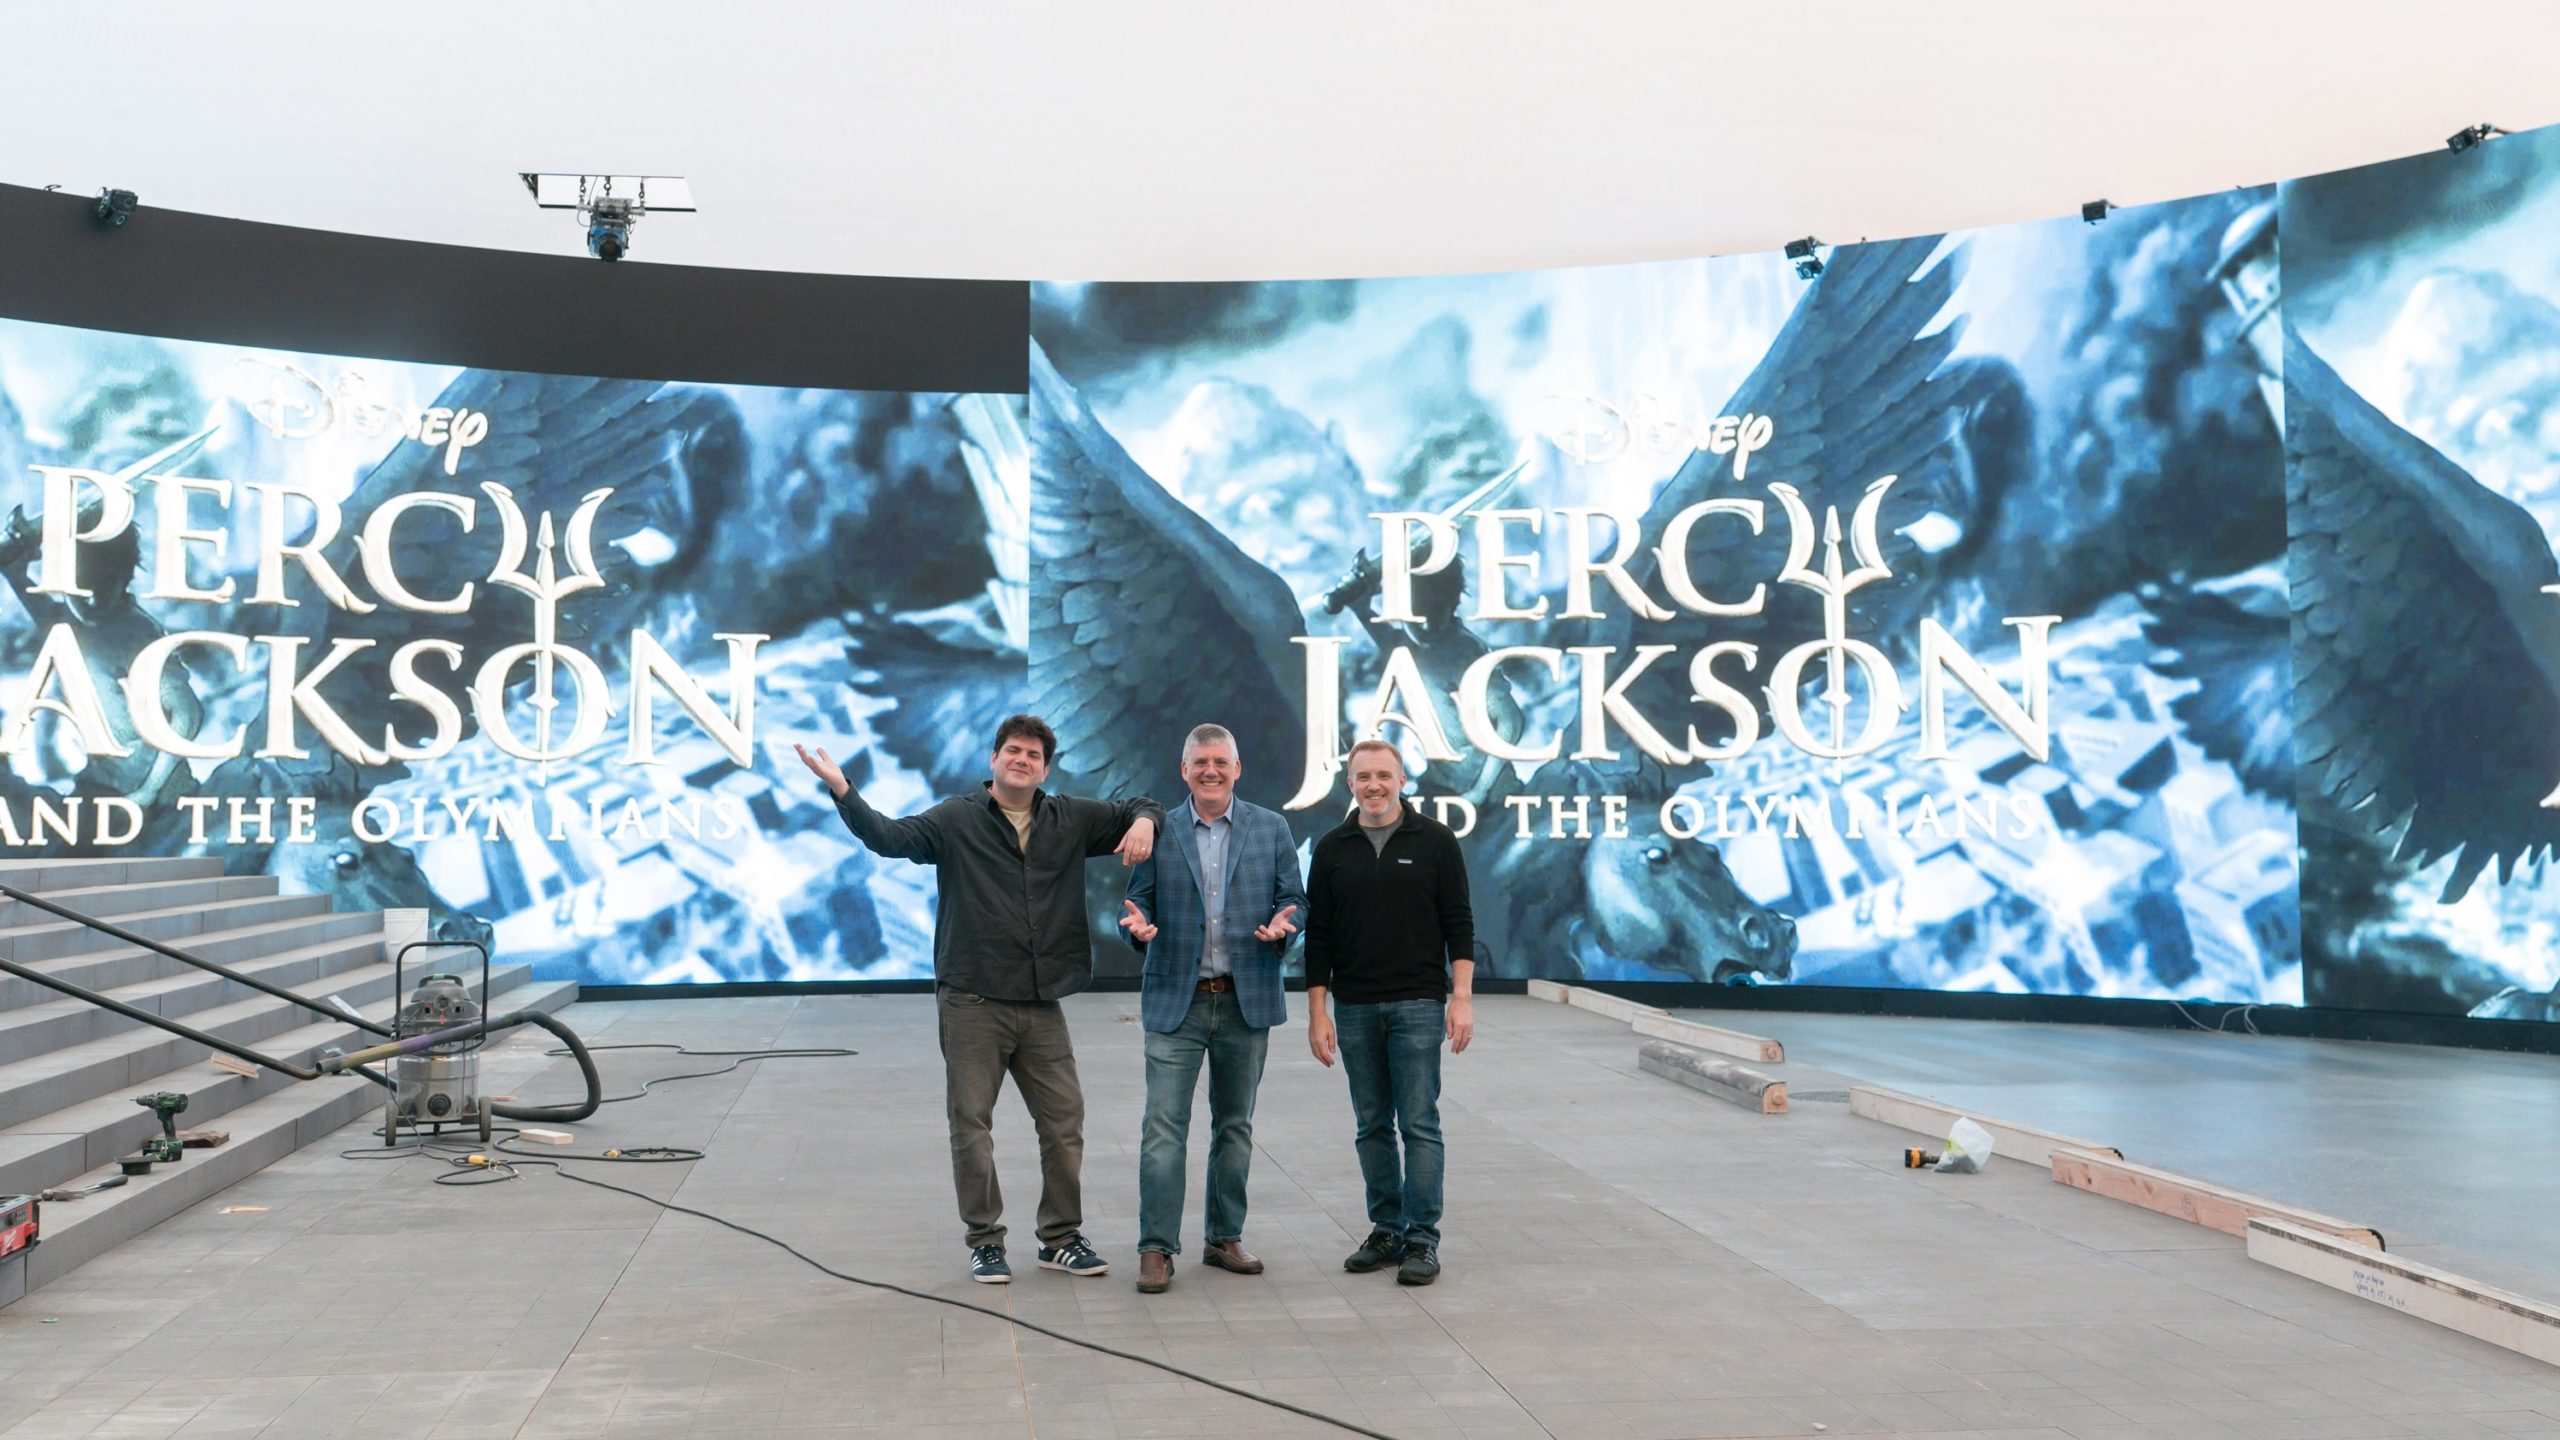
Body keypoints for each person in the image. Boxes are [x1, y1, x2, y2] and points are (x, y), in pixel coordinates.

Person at [795, 714, 1162, 1285]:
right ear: (994, 759)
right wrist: (843, 789)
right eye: (1013, 751)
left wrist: (1141, 822)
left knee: (1064, 1122)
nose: (1023, 760)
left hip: (1042, 1002)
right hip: (971, 1001)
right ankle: (985, 1241)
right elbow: (890, 838)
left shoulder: (1069, 818)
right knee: (972, 1125)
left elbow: (1143, 803)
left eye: (1034, 755)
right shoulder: (956, 818)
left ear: (1045, 767)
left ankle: (1060, 1237)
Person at [1117, 723, 1306, 1294]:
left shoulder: (1271, 828)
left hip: (1246, 1000)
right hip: (1178, 999)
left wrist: (1285, 925)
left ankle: (1224, 1238)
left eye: (1221, 762)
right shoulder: (1161, 829)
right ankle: (1156, 1249)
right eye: (1200, 762)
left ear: (1237, 768)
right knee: (1162, 1130)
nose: (1211, 771)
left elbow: (1294, 897)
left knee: (1235, 1127)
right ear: (1184, 770)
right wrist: (1137, 930)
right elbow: (1136, 902)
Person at [1302, 738, 1474, 1287]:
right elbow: (1319, 940)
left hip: (1419, 1004)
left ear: (1402, 780)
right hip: (1353, 1008)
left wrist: (1461, 999)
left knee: (1419, 1123)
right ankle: (1386, 1230)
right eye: (1362, 776)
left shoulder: (1436, 841)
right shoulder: (1333, 848)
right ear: (1349, 783)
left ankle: (1422, 1238)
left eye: (1383, 774)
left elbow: (1459, 924)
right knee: (1371, 1124)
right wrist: (1318, 1012)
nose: (1373, 784)